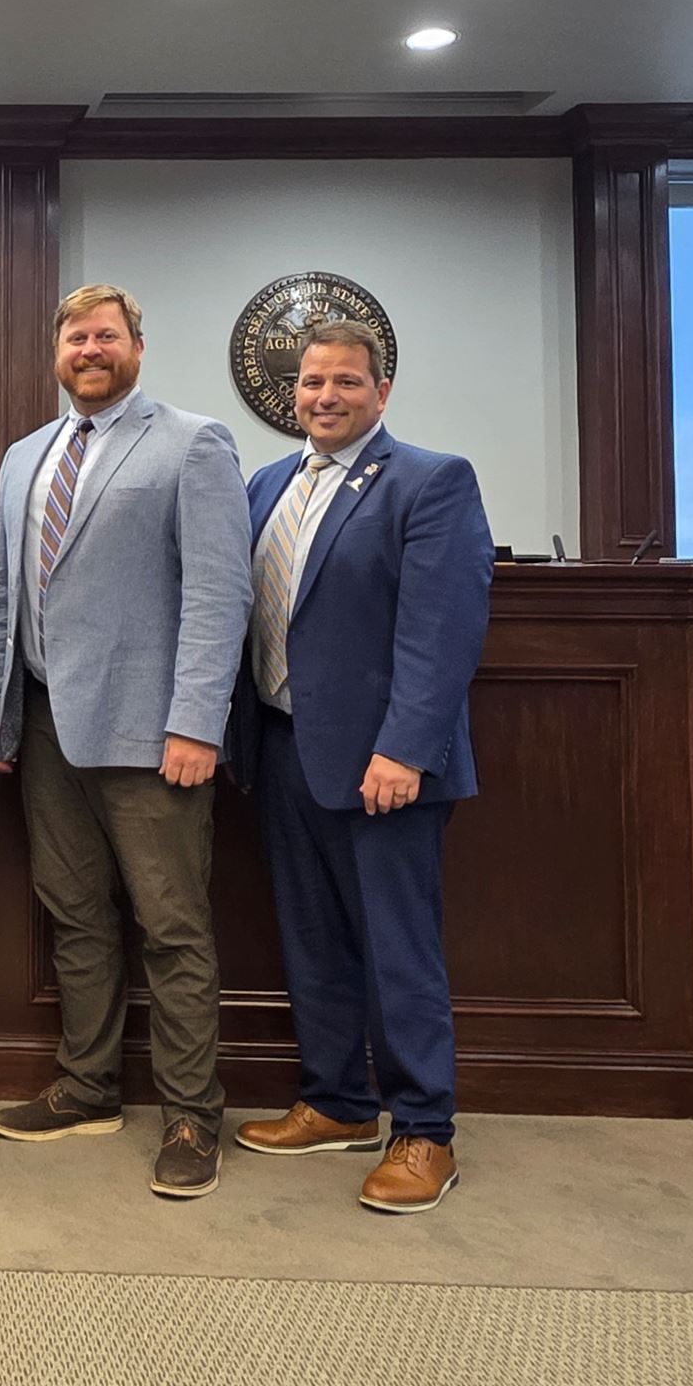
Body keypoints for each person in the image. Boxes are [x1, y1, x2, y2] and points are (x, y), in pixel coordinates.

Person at [0, 284, 253, 1201]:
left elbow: (221, 594)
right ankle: (88, 1087)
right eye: (75, 336)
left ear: (138, 345)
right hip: (45, 724)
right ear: (56, 353)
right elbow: (1, 594)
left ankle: (189, 1115)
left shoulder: (192, 442)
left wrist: (196, 724)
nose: (89, 349)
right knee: (77, 918)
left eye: (106, 335)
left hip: (151, 734)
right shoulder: (24, 457)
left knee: (172, 926)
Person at [226, 321, 492, 1215]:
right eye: (311, 383)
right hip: (283, 746)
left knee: (397, 950)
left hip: (384, 764)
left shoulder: (429, 480)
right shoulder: (267, 483)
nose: (325, 398)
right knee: (314, 940)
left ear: (381, 393)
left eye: (345, 382)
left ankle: (426, 1131)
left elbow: (441, 629)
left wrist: (405, 748)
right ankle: (338, 1102)